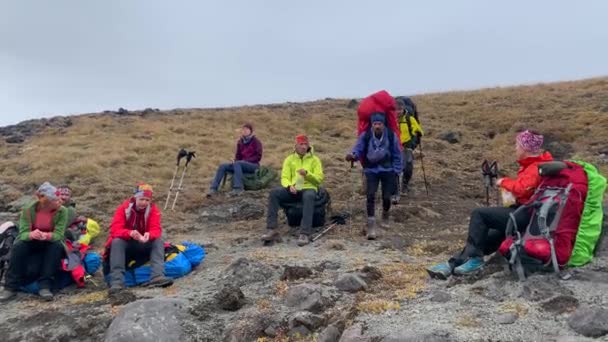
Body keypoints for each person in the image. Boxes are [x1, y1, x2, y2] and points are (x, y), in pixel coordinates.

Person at [427, 130, 553, 279]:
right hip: (528, 214)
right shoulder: (535, 165)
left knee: (479, 214)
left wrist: (503, 182)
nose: (515, 149)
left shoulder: (535, 167)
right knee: (484, 238)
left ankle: (475, 260)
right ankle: (452, 265)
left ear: (526, 148)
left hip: (524, 215)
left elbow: (522, 188)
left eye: (517, 145)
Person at [0, 182, 67, 301]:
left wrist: (46, 235)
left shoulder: (62, 211)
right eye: (55, 200)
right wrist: (31, 234)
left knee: (56, 246)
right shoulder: (28, 209)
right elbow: (23, 233)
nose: (59, 202)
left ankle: (45, 286)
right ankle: (10, 287)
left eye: (58, 199)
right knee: (19, 245)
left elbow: (59, 235)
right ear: (45, 201)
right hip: (32, 240)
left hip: (50, 241)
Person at [104, 183, 173, 293]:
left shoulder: (153, 210)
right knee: (116, 242)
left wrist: (149, 235)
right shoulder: (123, 209)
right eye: (141, 199)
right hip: (126, 244)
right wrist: (130, 233)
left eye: (147, 200)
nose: (144, 203)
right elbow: (115, 230)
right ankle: (117, 282)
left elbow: (156, 229)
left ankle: (157, 276)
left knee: (158, 241)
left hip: (143, 243)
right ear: (135, 197)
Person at [346, 113, 403, 240]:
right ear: (372, 125)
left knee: (387, 197)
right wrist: (353, 155)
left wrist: (397, 170)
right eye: (375, 124)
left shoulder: (390, 135)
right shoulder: (365, 135)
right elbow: (358, 148)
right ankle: (371, 226)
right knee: (370, 195)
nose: (377, 126)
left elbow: (397, 154)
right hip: (371, 170)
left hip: (388, 170)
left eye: (379, 124)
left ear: (383, 124)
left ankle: (385, 214)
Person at [261, 134, 324, 246]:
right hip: (293, 188)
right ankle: (272, 229)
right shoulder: (289, 159)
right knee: (274, 193)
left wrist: (307, 174)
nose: (304, 147)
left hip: (308, 188)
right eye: (301, 144)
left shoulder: (315, 160)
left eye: (306, 144)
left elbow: (319, 179)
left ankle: (305, 233)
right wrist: (289, 186)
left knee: (309, 196)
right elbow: (284, 177)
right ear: (295, 145)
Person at [207, 123, 263, 197]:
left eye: (247, 129)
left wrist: (244, 161)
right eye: (243, 129)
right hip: (240, 164)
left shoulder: (256, 142)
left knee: (238, 164)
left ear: (251, 131)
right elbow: (238, 156)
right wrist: (235, 160)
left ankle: (238, 188)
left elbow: (258, 157)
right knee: (223, 166)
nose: (245, 131)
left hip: (253, 165)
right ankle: (213, 189)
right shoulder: (240, 142)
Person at [396, 97, 424, 195]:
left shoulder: (409, 118)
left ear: (403, 108)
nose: (398, 112)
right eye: (396, 109)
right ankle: (395, 187)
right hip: (395, 145)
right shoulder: (390, 119)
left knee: (408, 165)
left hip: (407, 144)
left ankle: (404, 185)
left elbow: (418, 131)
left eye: (399, 109)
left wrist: (411, 144)